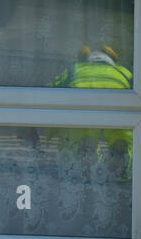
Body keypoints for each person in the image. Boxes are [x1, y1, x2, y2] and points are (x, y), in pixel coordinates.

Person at [48, 44, 134, 179]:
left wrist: (48, 129)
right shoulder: (123, 71)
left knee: (84, 138)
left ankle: (86, 167)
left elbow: (51, 90)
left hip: (82, 104)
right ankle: (120, 161)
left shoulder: (74, 69)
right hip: (117, 101)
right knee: (120, 137)